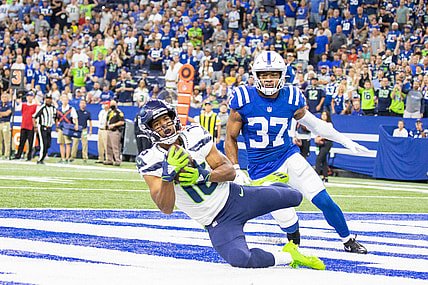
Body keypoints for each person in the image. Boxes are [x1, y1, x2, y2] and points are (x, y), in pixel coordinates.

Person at [136, 99, 325, 270]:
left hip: (236, 197)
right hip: (216, 221)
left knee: (295, 197)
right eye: (157, 123)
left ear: (174, 118)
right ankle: (289, 256)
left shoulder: (194, 134)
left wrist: (203, 175)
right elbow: (166, 207)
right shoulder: (150, 159)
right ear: (149, 130)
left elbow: (229, 171)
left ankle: (267, 184)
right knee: (241, 259)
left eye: (166, 119)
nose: (165, 126)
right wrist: (168, 175)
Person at [225, 51, 368, 254]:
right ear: (255, 75)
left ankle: (347, 239)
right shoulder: (243, 98)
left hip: (288, 156)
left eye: (273, 74)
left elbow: (317, 126)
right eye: (263, 74)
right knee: (286, 218)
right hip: (261, 169)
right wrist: (236, 169)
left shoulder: (291, 97)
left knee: (323, 198)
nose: (268, 79)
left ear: (283, 75)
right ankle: (294, 236)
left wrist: (344, 140)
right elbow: (230, 138)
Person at [32, 94, 57, 165]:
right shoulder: (42, 107)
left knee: (48, 144)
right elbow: (34, 116)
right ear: (45, 99)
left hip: (49, 127)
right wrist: (35, 127)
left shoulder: (53, 108)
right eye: (47, 98)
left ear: (51, 100)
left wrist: (57, 126)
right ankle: (40, 159)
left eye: (50, 99)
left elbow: (55, 117)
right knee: (44, 144)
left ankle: (37, 148)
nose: (48, 100)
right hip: (42, 127)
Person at [14, 92, 39, 161]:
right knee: (21, 142)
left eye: (30, 96)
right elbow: (17, 108)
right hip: (24, 125)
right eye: (28, 96)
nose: (29, 98)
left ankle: (29, 156)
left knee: (30, 143)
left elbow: (39, 107)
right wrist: (15, 99)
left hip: (31, 126)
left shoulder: (35, 106)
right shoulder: (23, 105)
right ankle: (18, 155)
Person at [56, 95, 79, 164]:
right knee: (61, 143)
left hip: (68, 128)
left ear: (68, 100)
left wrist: (76, 125)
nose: (64, 101)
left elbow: (75, 118)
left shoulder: (71, 108)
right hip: (61, 127)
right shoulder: (59, 109)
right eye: (63, 99)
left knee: (68, 143)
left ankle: (67, 158)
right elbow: (56, 118)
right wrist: (57, 126)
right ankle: (62, 158)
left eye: (66, 99)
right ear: (61, 101)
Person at [315, 111, 333, 182]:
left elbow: (328, 134)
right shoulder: (320, 123)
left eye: (325, 115)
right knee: (324, 160)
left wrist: (321, 138)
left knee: (318, 159)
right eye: (323, 114)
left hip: (327, 142)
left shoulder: (329, 124)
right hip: (321, 143)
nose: (324, 116)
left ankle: (316, 176)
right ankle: (325, 177)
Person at [105, 100, 124, 166]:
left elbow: (122, 122)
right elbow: (107, 120)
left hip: (115, 131)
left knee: (115, 147)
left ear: (116, 105)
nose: (112, 106)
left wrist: (114, 125)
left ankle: (117, 160)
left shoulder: (119, 112)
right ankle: (109, 160)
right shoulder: (109, 112)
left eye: (114, 104)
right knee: (108, 147)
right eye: (111, 104)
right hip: (108, 130)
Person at [0, 93, 12, 159]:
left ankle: (6, 154)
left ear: (7, 98)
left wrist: (2, 114)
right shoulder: (0, 104)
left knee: (6, 140)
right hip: (0, 123)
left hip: (6, 123)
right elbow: (5, 113)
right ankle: (0, 154)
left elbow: (7, 113)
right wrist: (3, 113)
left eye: (5, 97)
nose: (4, 98)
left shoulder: (9, 105)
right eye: (2, 97)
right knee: (0, 140)